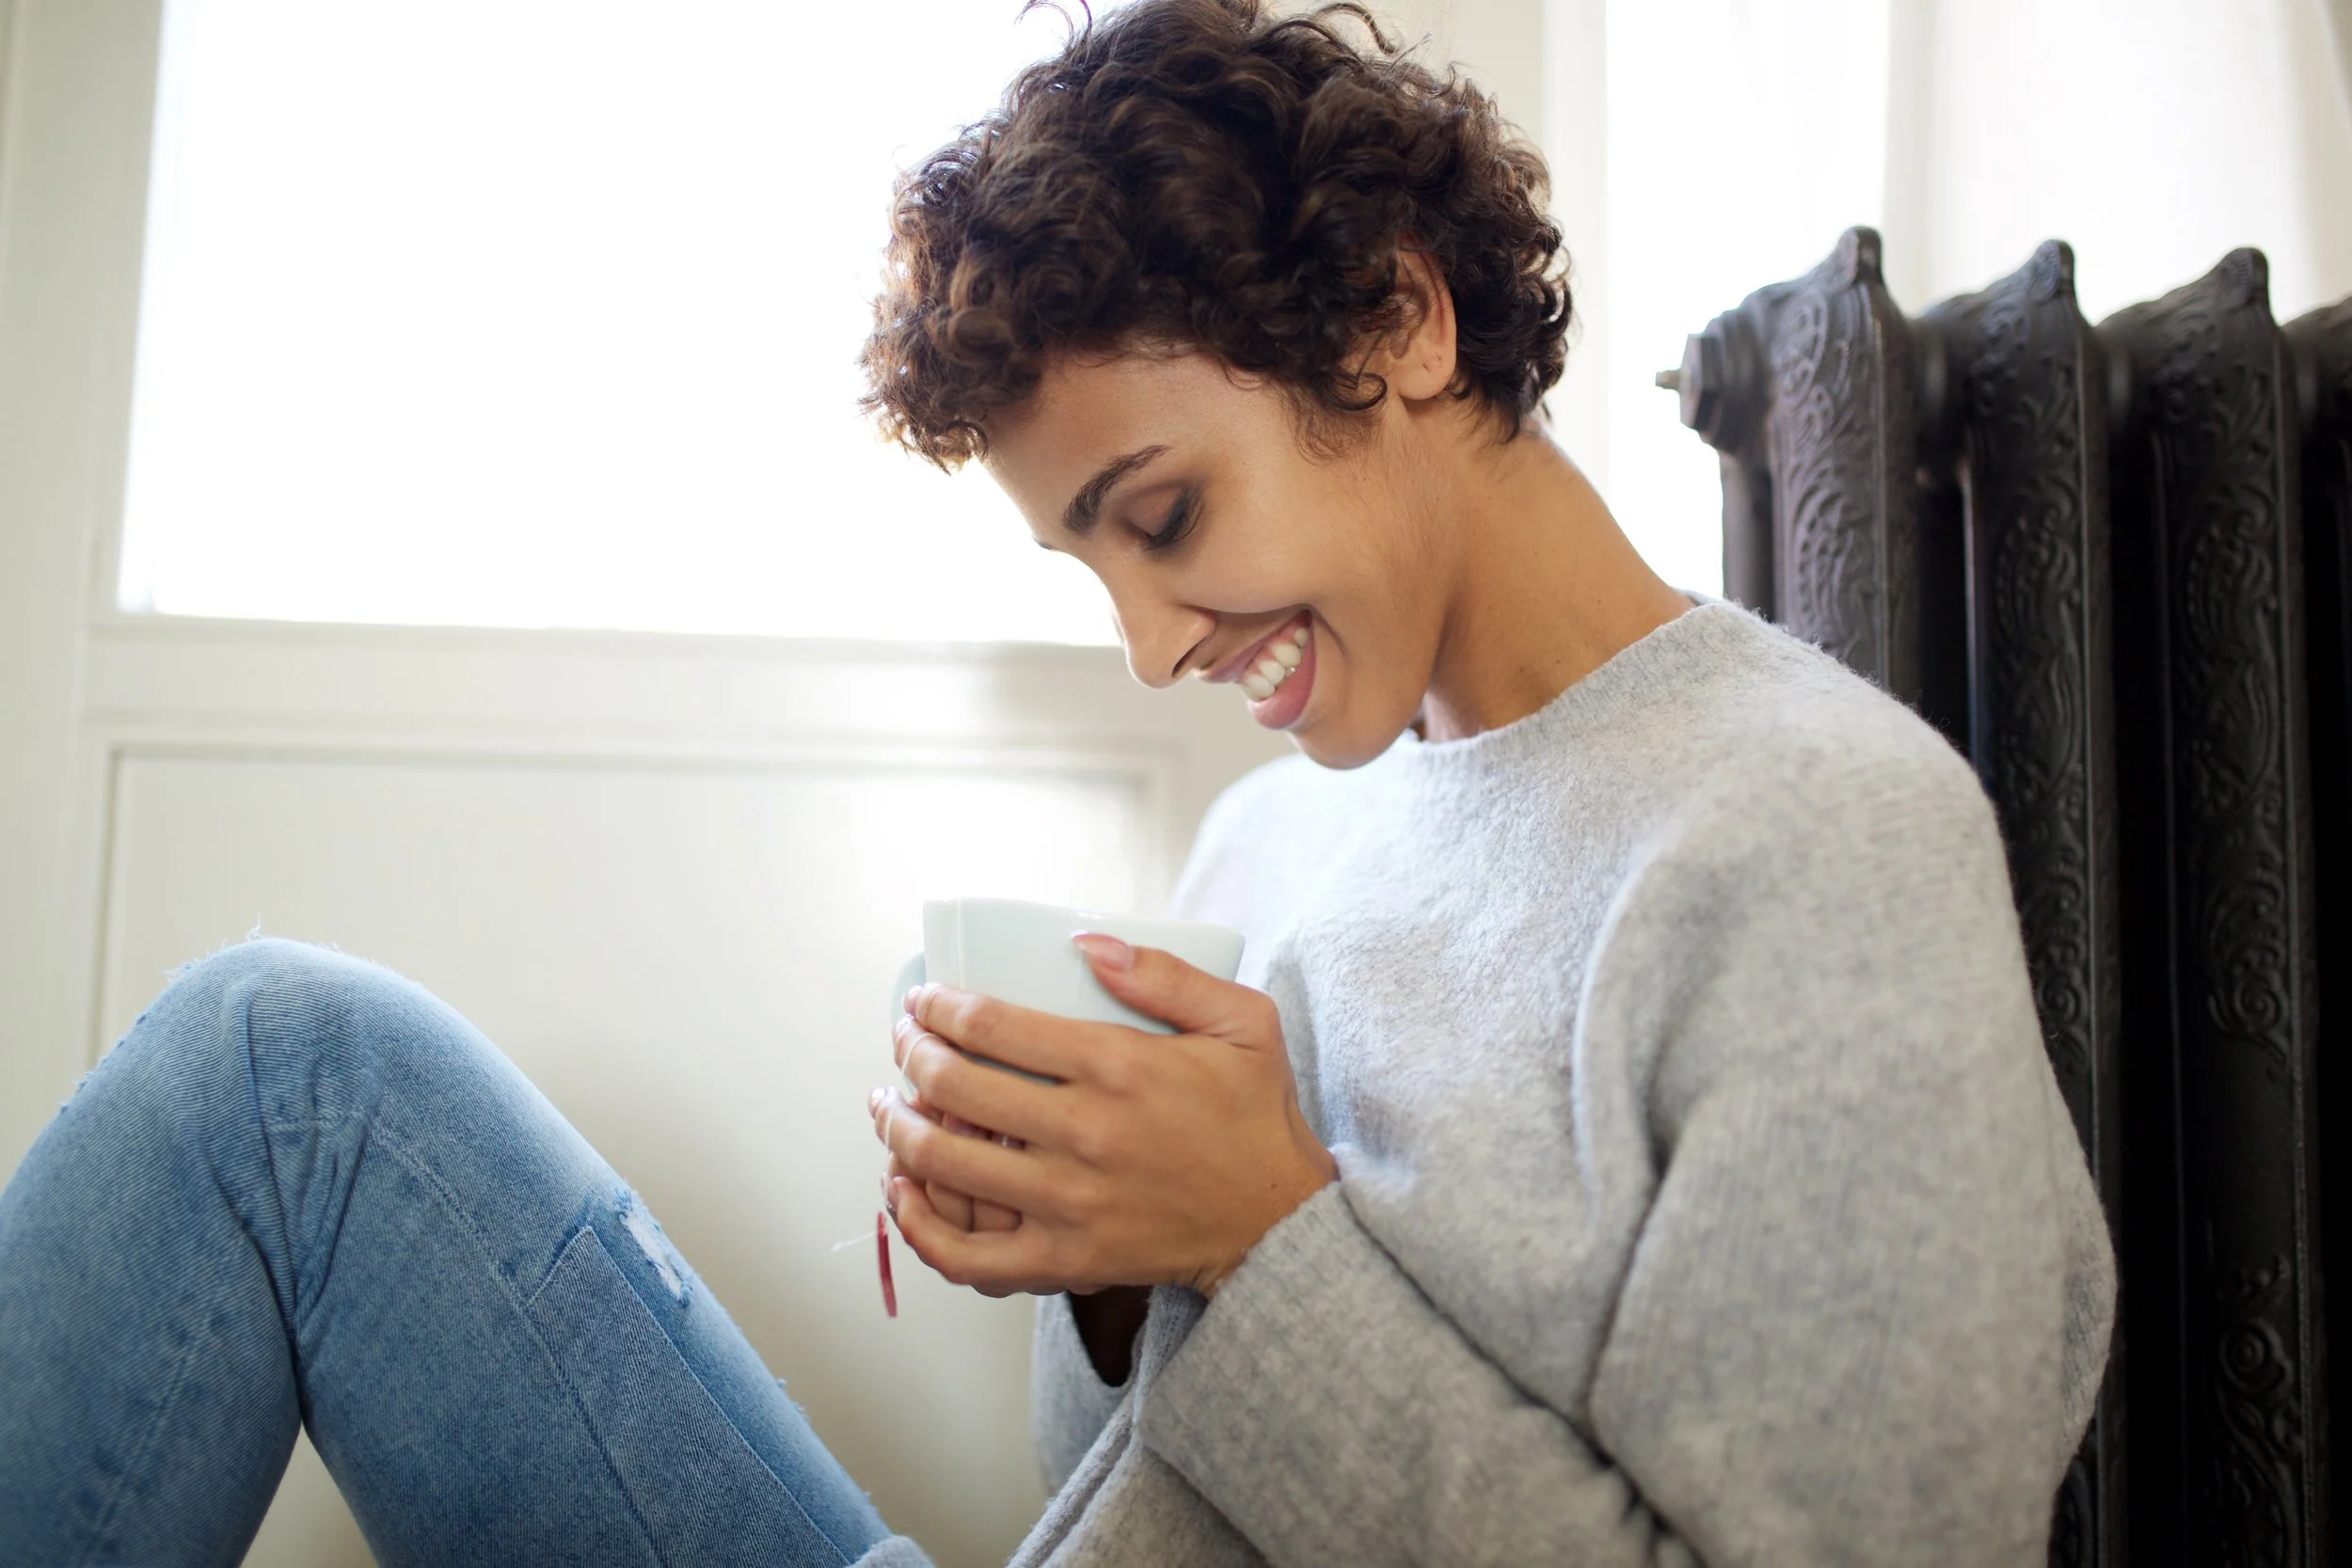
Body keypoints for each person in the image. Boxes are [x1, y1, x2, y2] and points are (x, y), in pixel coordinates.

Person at [0, 2, 2112, 1564]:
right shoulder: (1285, 824)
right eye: (1083, 557)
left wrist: (1262, 1234)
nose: (1150, 641)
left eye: (1163, 511)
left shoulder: (1817, 849)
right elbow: (1123, 1475)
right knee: (287, 1077)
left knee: (282, 1072)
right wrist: (1099, 1247)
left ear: (1393, 321)